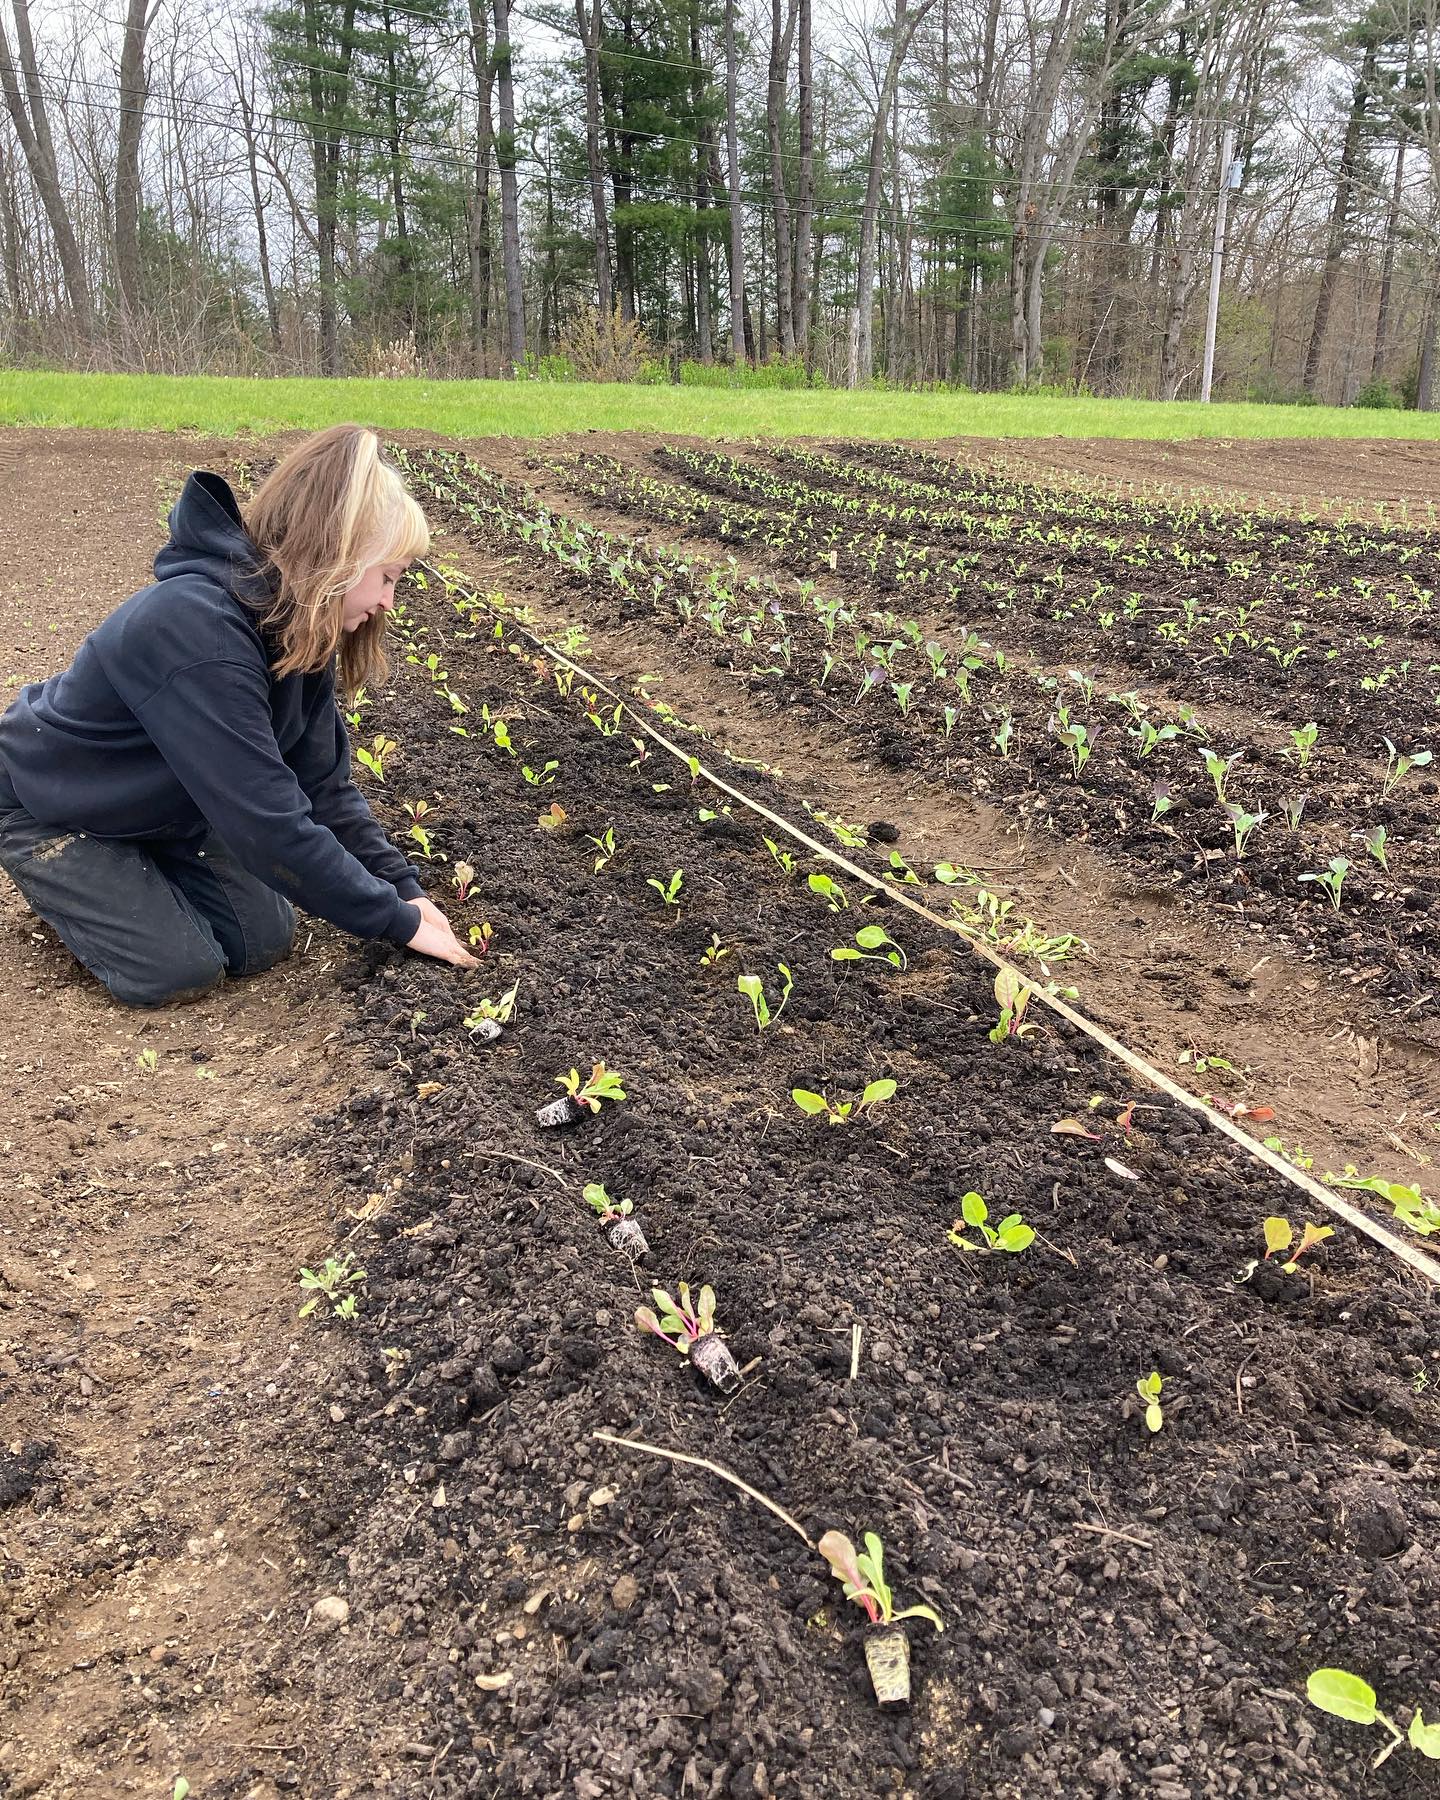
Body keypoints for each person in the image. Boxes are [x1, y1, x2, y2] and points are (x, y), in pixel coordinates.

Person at [0, 423, 477, 1007]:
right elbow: (266, 822)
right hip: (55, 801)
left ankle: (139, 864)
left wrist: (403, 892)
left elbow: (323, 787)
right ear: (339, 559)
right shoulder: (197, 629)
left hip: (169, 805)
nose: (388, 603)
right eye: (388, 577)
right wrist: (393, 923)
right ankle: (67, 872)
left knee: (261, 942)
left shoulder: (300, 628)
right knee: (177, 971)